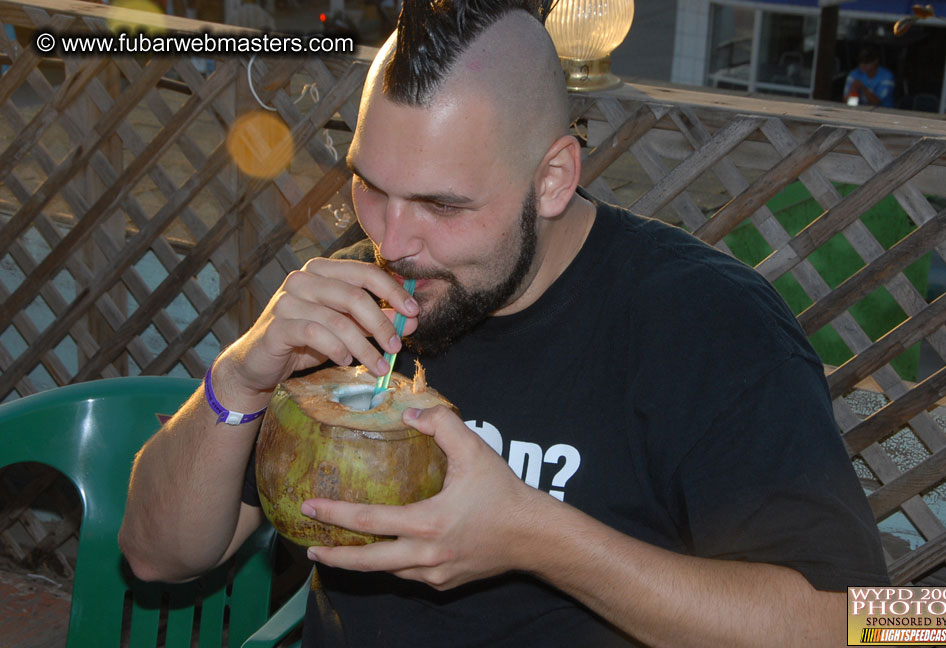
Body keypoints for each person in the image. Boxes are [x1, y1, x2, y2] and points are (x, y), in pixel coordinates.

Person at [118, 1, 890, 645]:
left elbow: (889, 626)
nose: (393, 241)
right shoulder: (360, 294)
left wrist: (536, 538)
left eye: (443, 205)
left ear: (553, 178)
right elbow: (155, 556)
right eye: (370, 187)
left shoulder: (709, 327)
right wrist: (241, 378)